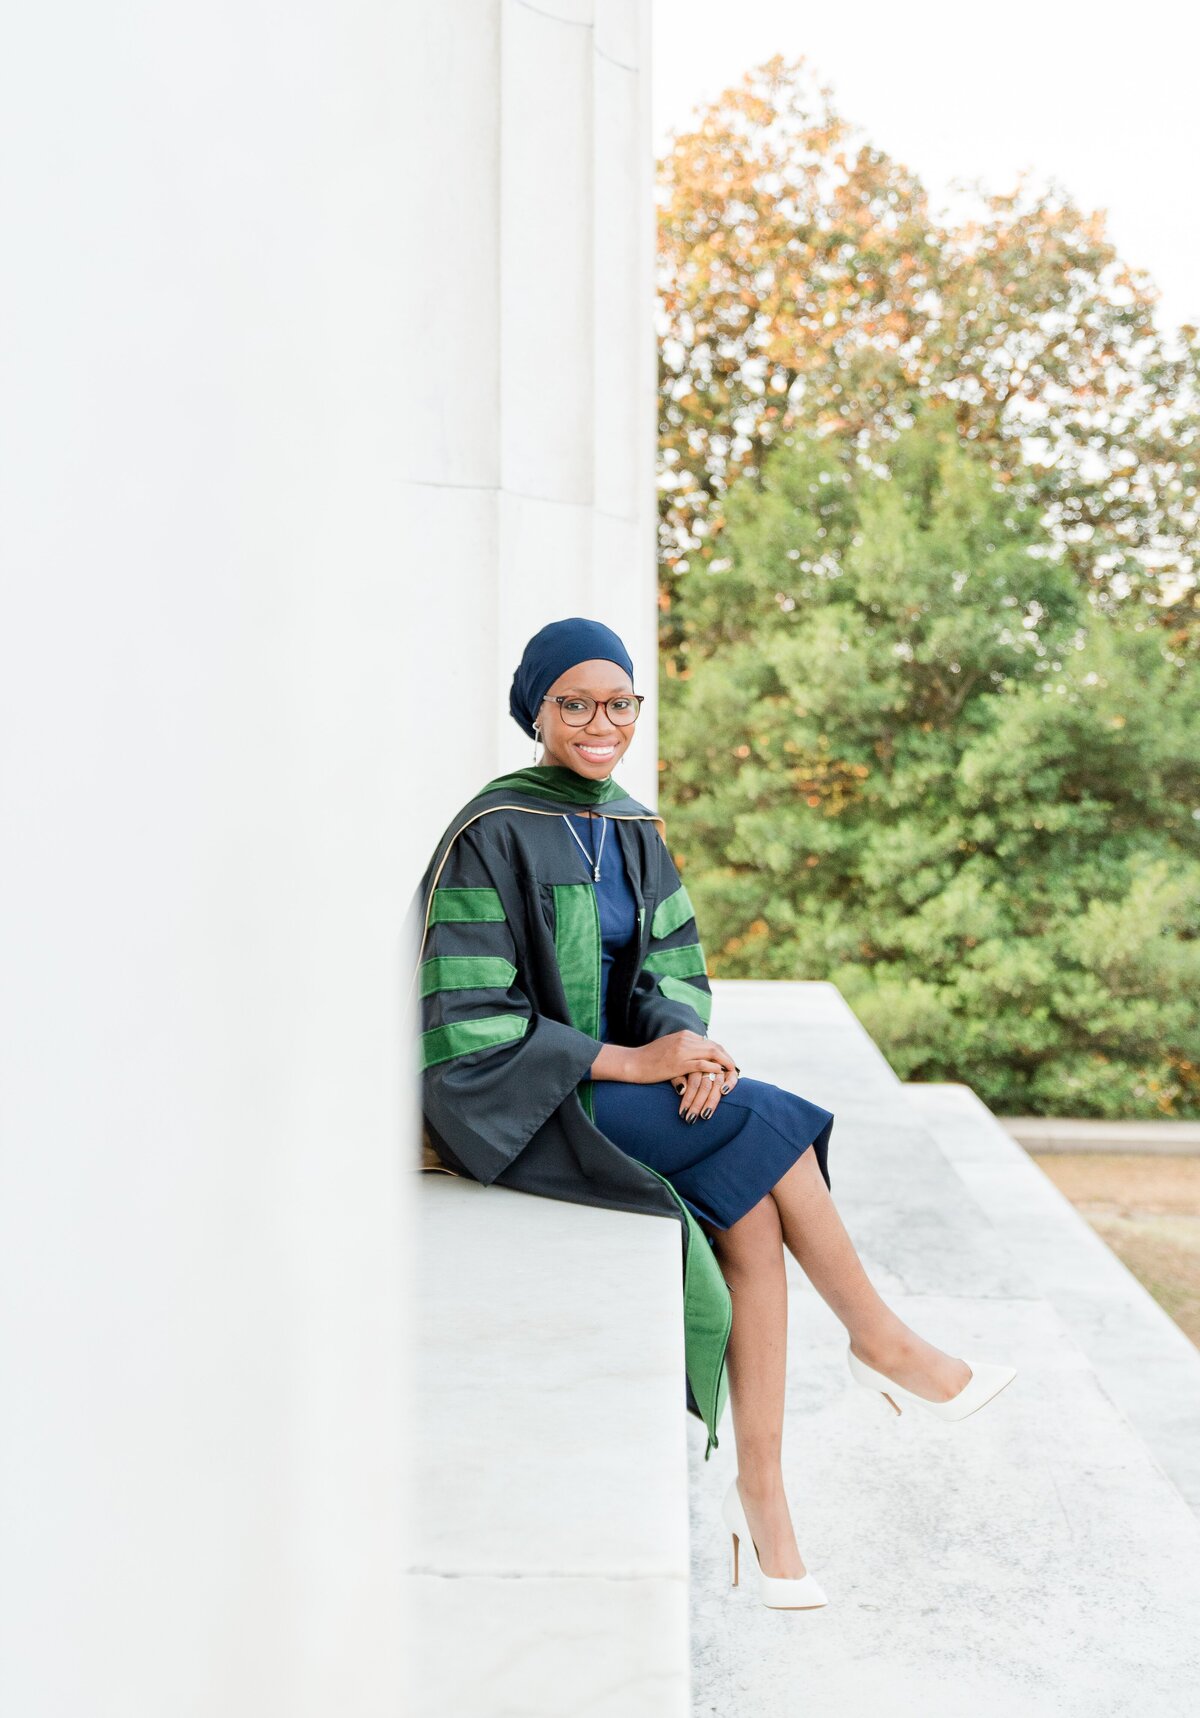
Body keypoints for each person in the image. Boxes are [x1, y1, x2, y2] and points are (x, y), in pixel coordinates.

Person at [407, 616, 1015, 1609]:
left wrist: (690, 1050)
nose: (601, 722)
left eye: (620, 703)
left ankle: (765, 1498)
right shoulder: (491, 833)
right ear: (537, 710)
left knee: (756, 1201)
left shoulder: (630, 828)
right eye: (576, 702)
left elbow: (672, 970)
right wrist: (636, 1059)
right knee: (770, 1131)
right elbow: (471, 1019)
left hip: (632, 1082)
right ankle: (881, 1345)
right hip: (531, 1098)